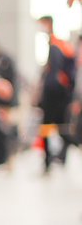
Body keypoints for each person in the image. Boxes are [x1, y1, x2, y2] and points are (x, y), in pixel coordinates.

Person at [36, 15, 76, 172]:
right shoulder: (57, 44)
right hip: (58, 95)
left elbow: (55, 74)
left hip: (54, 96)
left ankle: (50, 160)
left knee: (54, 128)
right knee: (56, 128)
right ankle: (53, 158)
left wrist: (45, 92)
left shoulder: (56, 45)